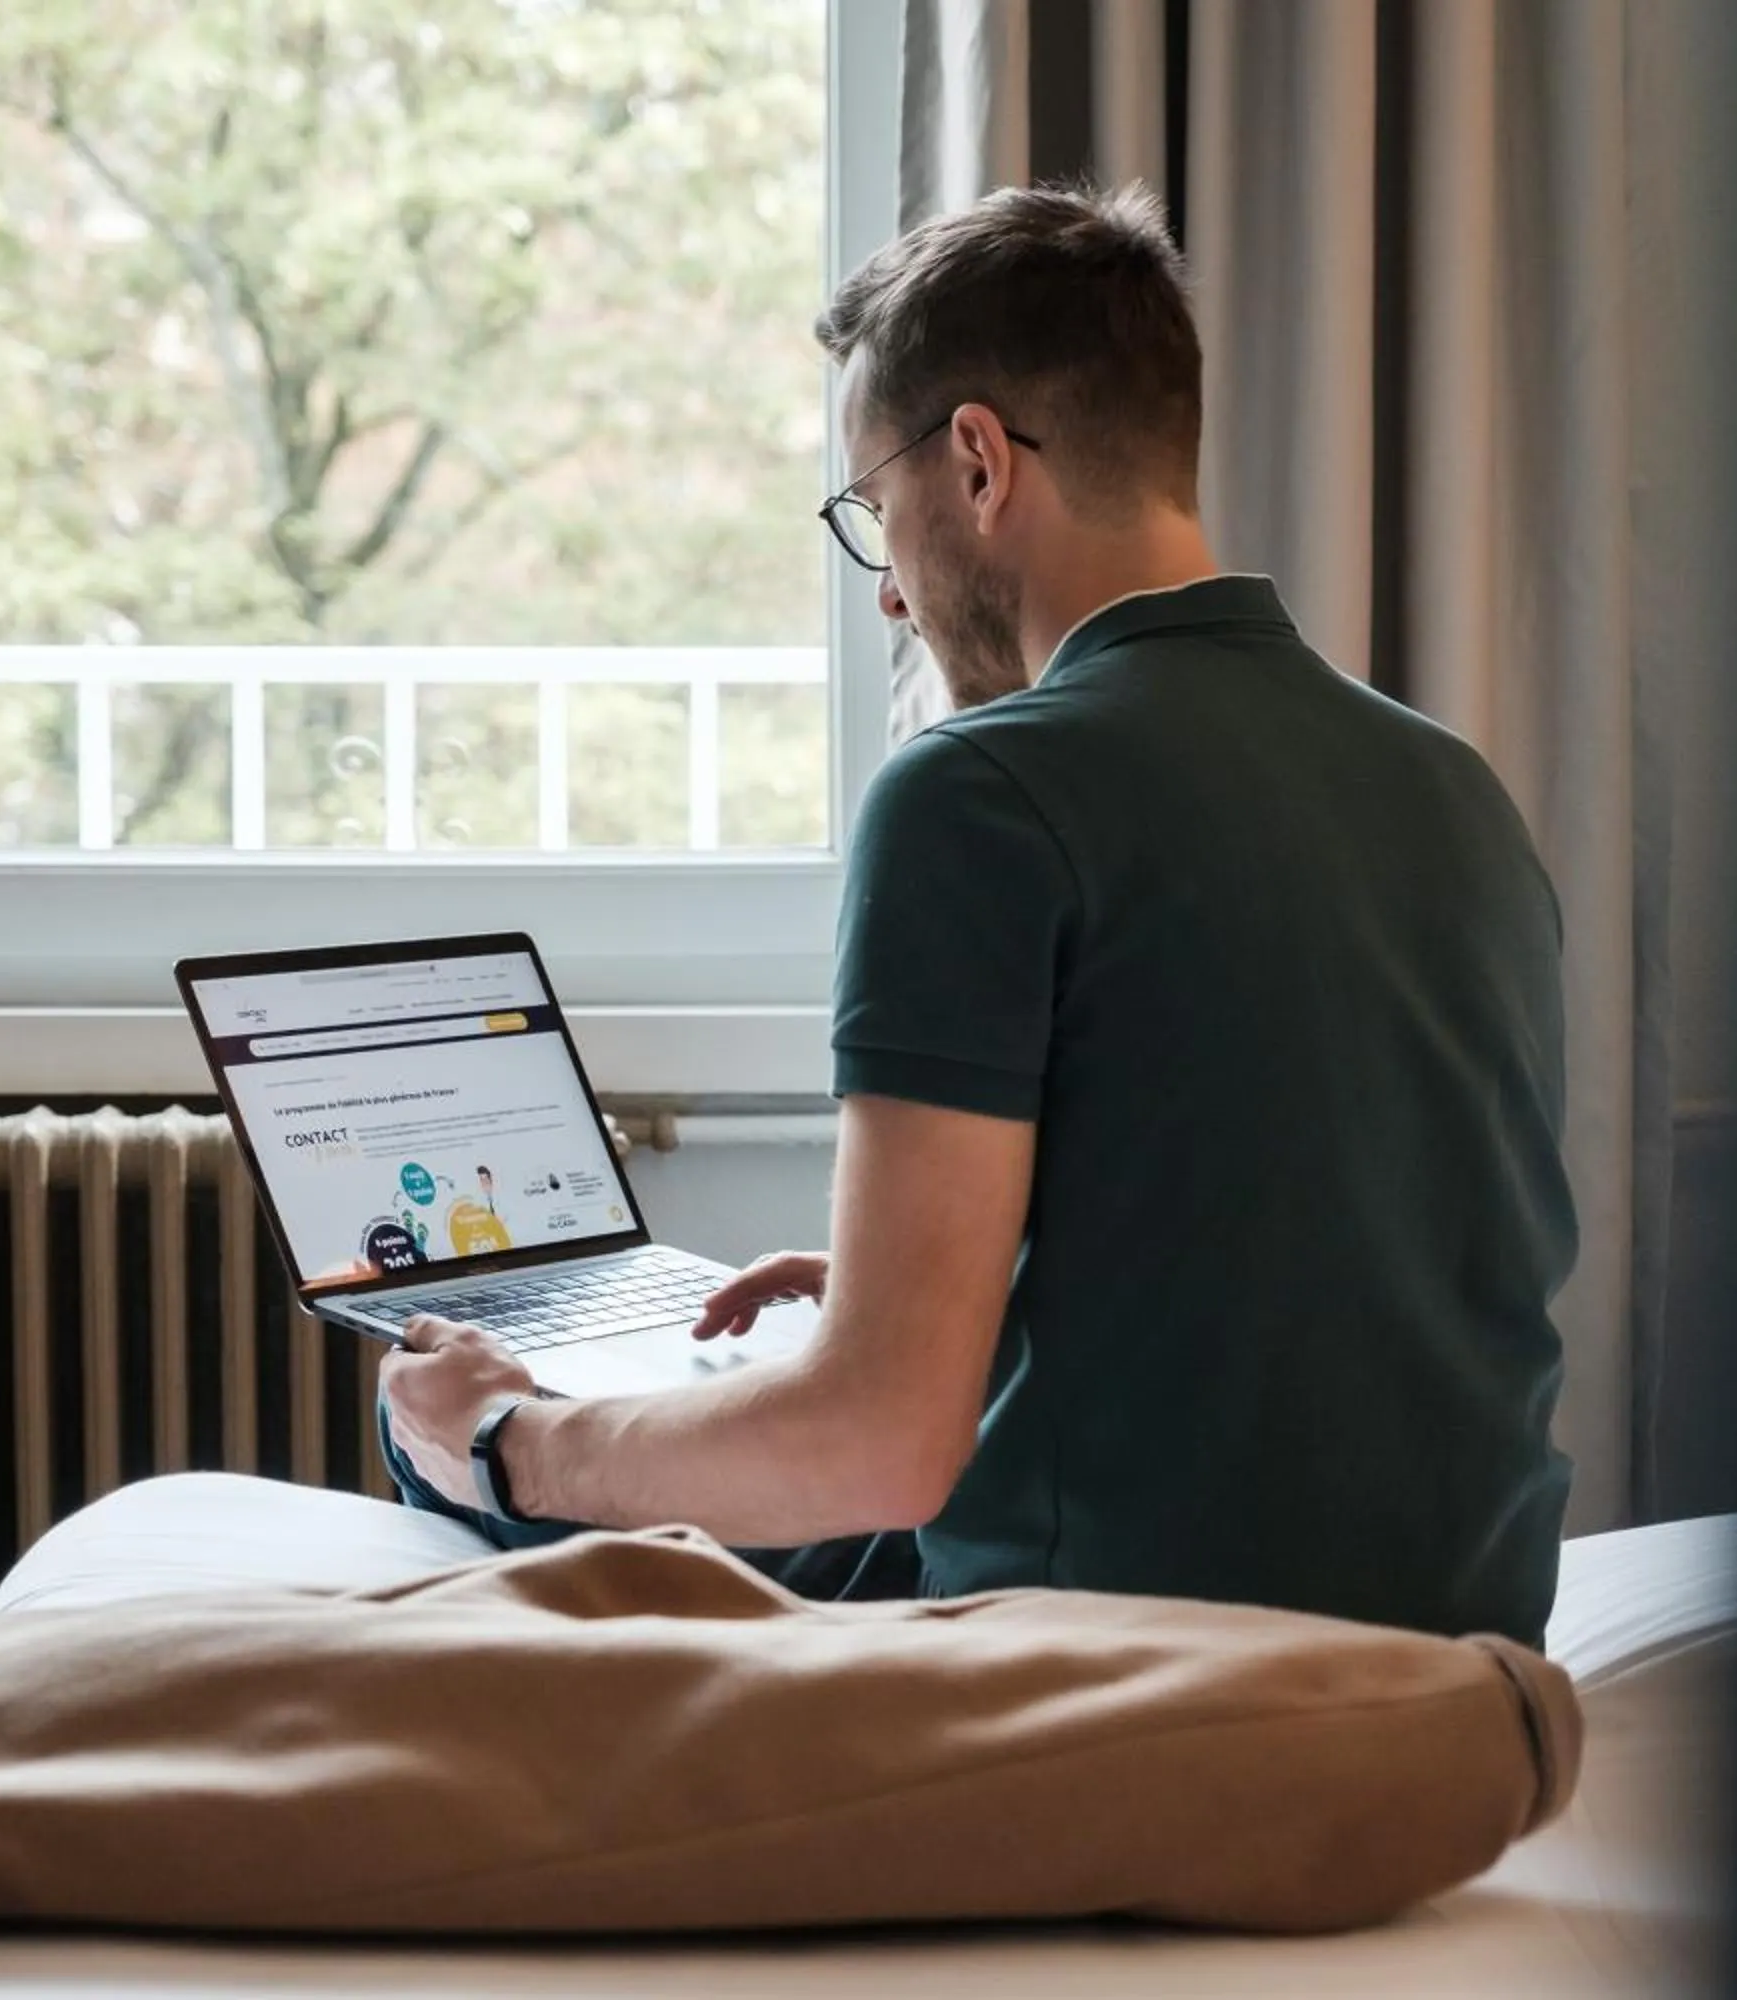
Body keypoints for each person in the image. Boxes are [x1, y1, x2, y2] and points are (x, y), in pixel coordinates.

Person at [379, 180, 1576, 1644]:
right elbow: (1346, 1248)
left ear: (978, 463)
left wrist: (516, 1443)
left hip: (1137, 1684)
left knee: (448, 1449)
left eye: (875, 513)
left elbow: (882, 1444)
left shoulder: (980, 793)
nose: (888, 591)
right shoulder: (1451, 786)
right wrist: (1012, 1276)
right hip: (1465, 1664)